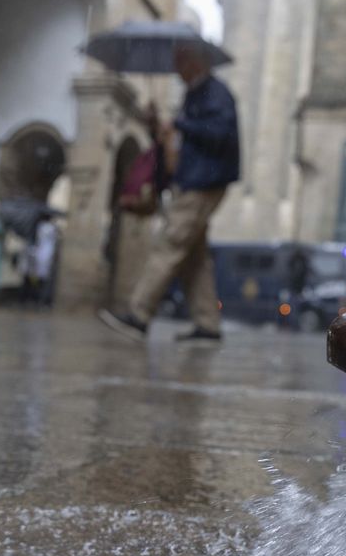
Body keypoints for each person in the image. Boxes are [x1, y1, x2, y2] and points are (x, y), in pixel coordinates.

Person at [99, 42, 240, 343]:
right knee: (193, 256)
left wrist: (181, 123)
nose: (177, 68)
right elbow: (181, 143)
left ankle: (138, 315)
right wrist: (158, 126)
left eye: (181, 60)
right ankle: (207, 323)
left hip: (204, 181)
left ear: (196, 63)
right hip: (193, 180)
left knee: (169, 243)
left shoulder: (215, 93)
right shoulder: (195, 96)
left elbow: (220, 135)